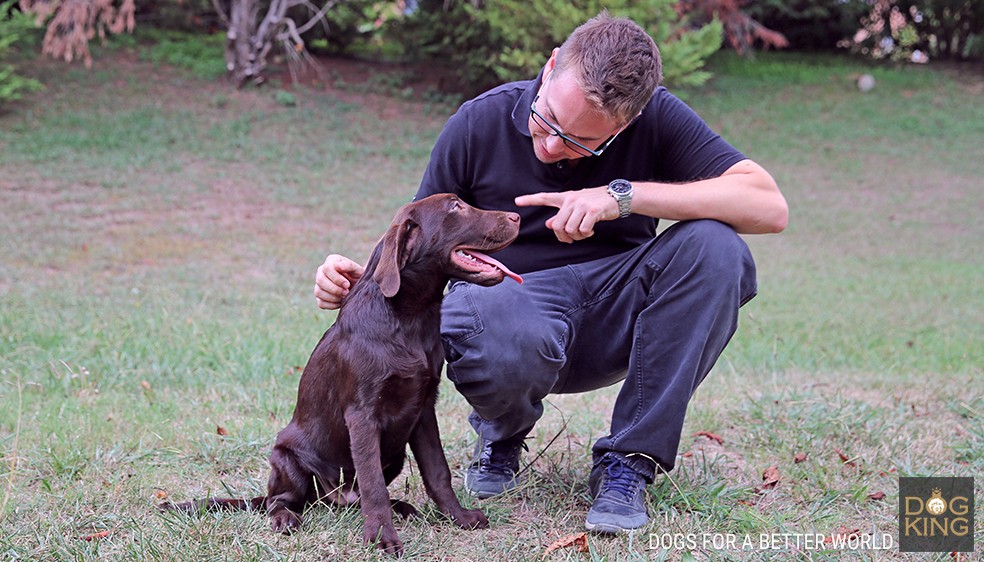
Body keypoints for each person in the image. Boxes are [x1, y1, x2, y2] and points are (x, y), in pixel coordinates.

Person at [313, 13, 788, 534]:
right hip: (509, 317)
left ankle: (628, 461)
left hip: (614, 313)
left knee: (717, 247)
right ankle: (501, 432)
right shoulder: (479, 123)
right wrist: (357, 279)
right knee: (503, 318)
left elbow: (768, 206)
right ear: (551, 64)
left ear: (626, 123)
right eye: (547, 121)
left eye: (581, 142)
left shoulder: (656, 118)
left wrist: (622, 196)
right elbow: (417, 236)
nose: (552, 147)